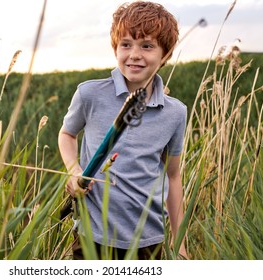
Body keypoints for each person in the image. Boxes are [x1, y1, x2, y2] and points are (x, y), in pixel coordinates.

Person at [58, 1, 188, 260]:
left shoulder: (175, 113)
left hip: (148, 238)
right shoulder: (90, 94)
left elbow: (173, 177)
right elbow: (67, 134)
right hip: (91, 234)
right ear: (115, 48)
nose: (134, 54)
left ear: (166, 54)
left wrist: (180, 243)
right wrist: (74, 172)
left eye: (147, 46)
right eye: (126, 44)